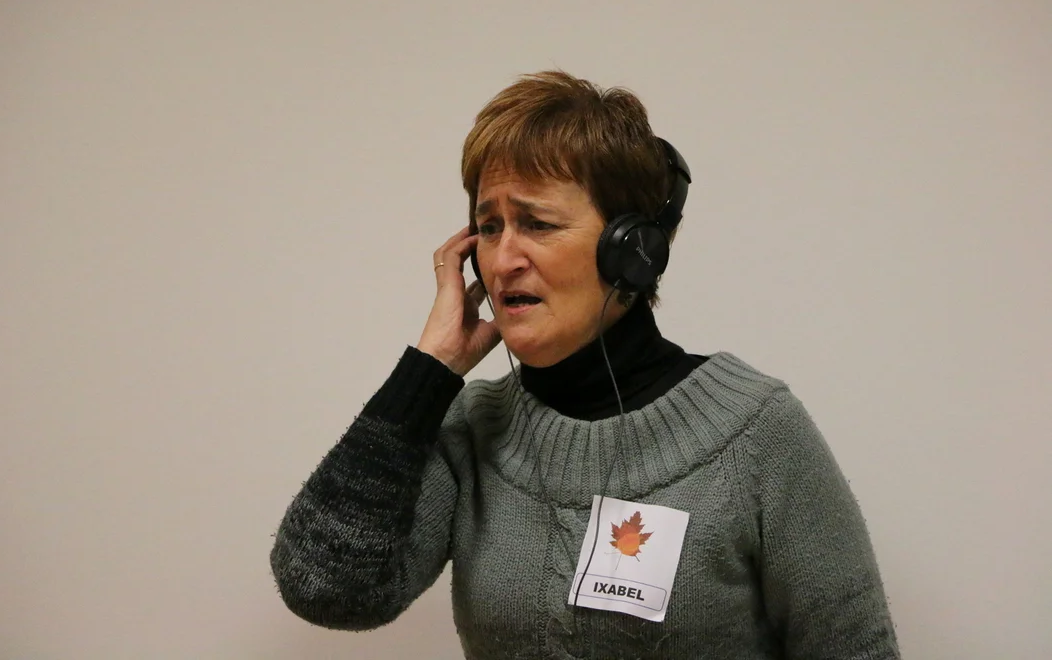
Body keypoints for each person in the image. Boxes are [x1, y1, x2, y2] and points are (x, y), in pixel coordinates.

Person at [270, 70, 901, 658]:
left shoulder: (755, 432)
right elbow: (326, 589)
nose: (503, 259)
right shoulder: (472, 428)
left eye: (537, 223)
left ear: (632, 250)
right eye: (489, 227)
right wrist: (428, 370)